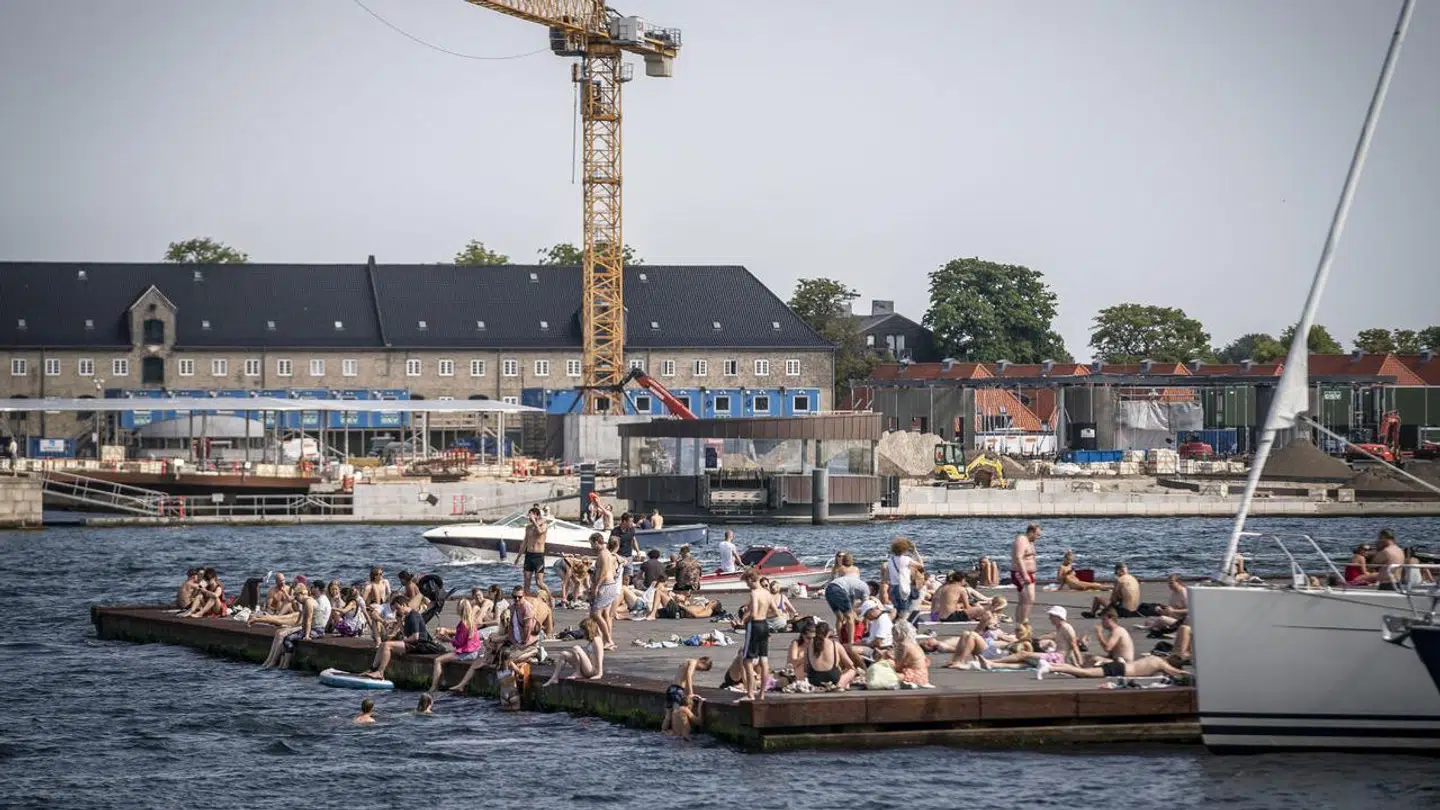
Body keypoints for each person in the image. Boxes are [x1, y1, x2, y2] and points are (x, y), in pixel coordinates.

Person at [362, 595, 439, 680]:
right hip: (413, 643)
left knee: (387, 645)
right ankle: (372, 669)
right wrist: (400, 622)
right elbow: (406, 633)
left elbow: (415, 637)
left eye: (398, 608)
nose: (397, 611)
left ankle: (380, 672)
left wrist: (403, 640)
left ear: (403, 605)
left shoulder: (413, 616)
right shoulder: (406, 616)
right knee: (382, 645)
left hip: (420, 645)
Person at [426, 600, 482, 693]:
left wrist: (446, 639)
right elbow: (463, 639)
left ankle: (433, 687)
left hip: (467, 652)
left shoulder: (463, 624)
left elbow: (459, 643)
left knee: (438, 660)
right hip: (474, 650)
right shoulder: (471, 621)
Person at [740, 572, 776, 702]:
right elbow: (777, 611)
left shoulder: (754, 593)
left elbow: (754, 613)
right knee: (764, 660)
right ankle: (761, 694)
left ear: (751, 580)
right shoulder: (767, 593)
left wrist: (744, 620)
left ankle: (750, 692)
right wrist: (764, 614)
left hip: (755, 626)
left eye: (747, 582)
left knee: (747, 660)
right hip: (765, 625)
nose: (747, 585)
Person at [542, 616, 605, 685]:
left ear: (588, 629)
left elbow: (600, 657)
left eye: (582, 630)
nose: (581, 632)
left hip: (592, 670)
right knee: (564, 654)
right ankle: (554, 678)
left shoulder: (597, 640)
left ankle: (578, 673)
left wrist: (599, 673)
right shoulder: (591, 640)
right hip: (587, 667)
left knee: (576, 648)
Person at [1038, 653, 1189, 681]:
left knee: (1081, 673)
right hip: (1120, 670)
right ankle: (1051, 667)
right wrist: (1189, 674)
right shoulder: (1161, 664)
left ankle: (1052, 666)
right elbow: (1175, 672)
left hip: (1120, 666)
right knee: (1083, 673)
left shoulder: (1155, 658)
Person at [663, 656, 713, 734]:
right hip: (677, 690)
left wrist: (685, 692)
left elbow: (682, 677)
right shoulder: (693, 662)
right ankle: (675, 732)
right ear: (702, 662)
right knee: (676, 713)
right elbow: (688, 676)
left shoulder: (686, 661)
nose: (700, 670)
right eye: (702, 669)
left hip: (671, 688)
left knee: (668, 713)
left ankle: (663, 730)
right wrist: (691, 693)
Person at [801, 621, 857, 690]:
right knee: (852, 670)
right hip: (832, 677)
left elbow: (806, 668)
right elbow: (850, 664)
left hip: (815, 679)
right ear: (828, 633)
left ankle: (822, 686)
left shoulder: (809, 646)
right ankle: (839, 685)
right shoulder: (835, 644)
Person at [588, 532, 620, 651]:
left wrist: (596, 586)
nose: (591, 547)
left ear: (597, 542)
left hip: (606, 586)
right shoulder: (605, 553)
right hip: (608, 586)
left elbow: (605, 571)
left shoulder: (603, 554)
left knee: (596, 614)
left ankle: (608, 640)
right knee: (596, 614)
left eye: (592, 543)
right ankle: (600, 639)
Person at [885, 536, 922, 617]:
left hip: (893, 588)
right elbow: (921, 565)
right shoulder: (906, 559)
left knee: (897, 611)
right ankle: (903, 627)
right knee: (905, 612)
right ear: (905, 549)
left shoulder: (890, 560)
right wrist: (915, 551)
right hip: (904, 588)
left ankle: (896, 627)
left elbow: (887, 578)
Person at [1011, 524, 1041, 623]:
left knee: (1024, 600)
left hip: (1030, 573)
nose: (1038, 537)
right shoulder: (1021, 539)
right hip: (1021, 573)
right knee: (1028, 599)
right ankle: (1023, 623)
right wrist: (1025, 575)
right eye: (1037, 535)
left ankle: (1020, 624)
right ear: (1031, 532)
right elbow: (1019, 557)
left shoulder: (1030, 542)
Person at [891, 620, 931, 687]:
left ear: (899, 633)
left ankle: (908, 682)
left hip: (912, 674)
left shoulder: (904, 645)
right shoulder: (914, 644)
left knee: (886, 675)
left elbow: (899, 665)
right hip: (923, 676)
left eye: (893, 634)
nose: (893, 636)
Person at [521, 506, 549, 595]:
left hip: (538, 556)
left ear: (536, 515)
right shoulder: (528, 527)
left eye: (531, 515)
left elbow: (540, 532)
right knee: (527, 580)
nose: (529, 518)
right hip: (528, 555)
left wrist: (534, 521)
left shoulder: (544, 525)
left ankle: (550, 597)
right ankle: (527, 600)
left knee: (539, 582)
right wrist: (518, 557)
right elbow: (525, 542)